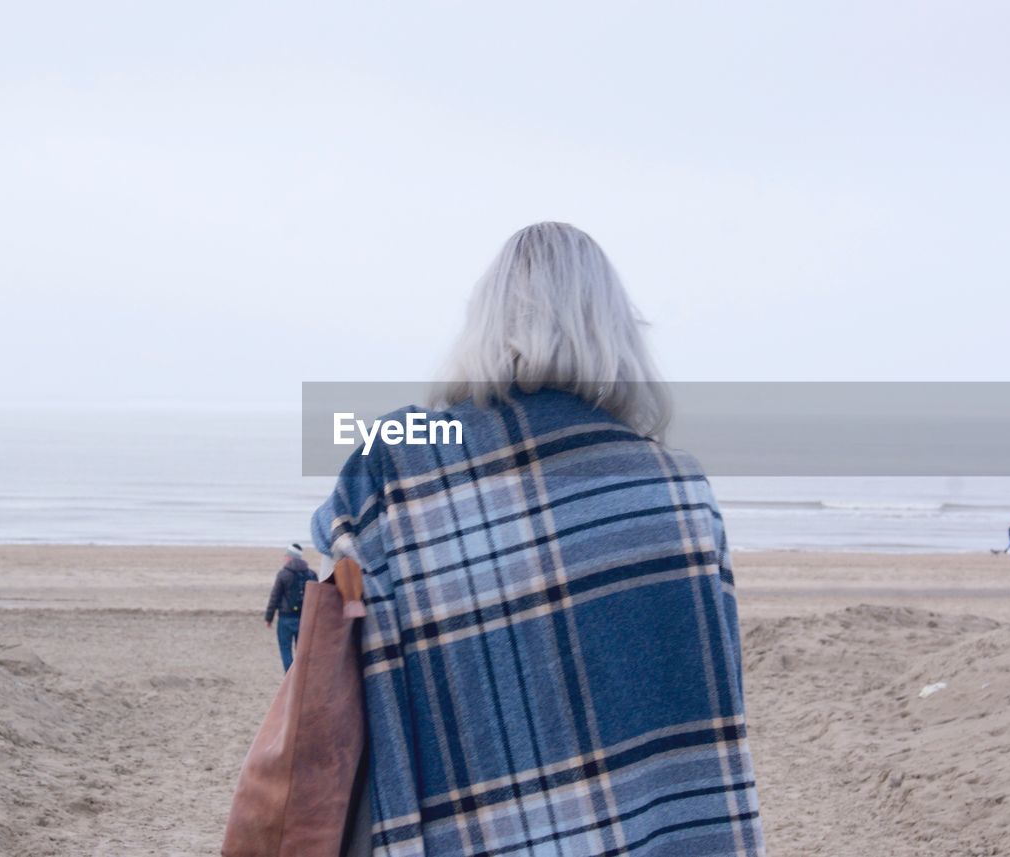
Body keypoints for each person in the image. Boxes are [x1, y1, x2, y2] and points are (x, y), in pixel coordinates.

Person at [310, 223, 763, 856]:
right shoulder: (678, 488)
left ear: (486, 323)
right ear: (616, 330)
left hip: (462, 830)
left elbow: (325, 615)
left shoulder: (402, 456)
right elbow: (706, 709)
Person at [264, 543, 316, 670]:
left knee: (285, 649)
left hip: (285, 618)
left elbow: (275, 597)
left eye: (286, 556)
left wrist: (269, 618)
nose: (284, 558)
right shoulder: (311, 574)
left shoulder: (283, 574)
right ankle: (299, 677)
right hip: (304, 618)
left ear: (290, 557)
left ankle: (289, 676)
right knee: (302, 652)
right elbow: (316, 598)